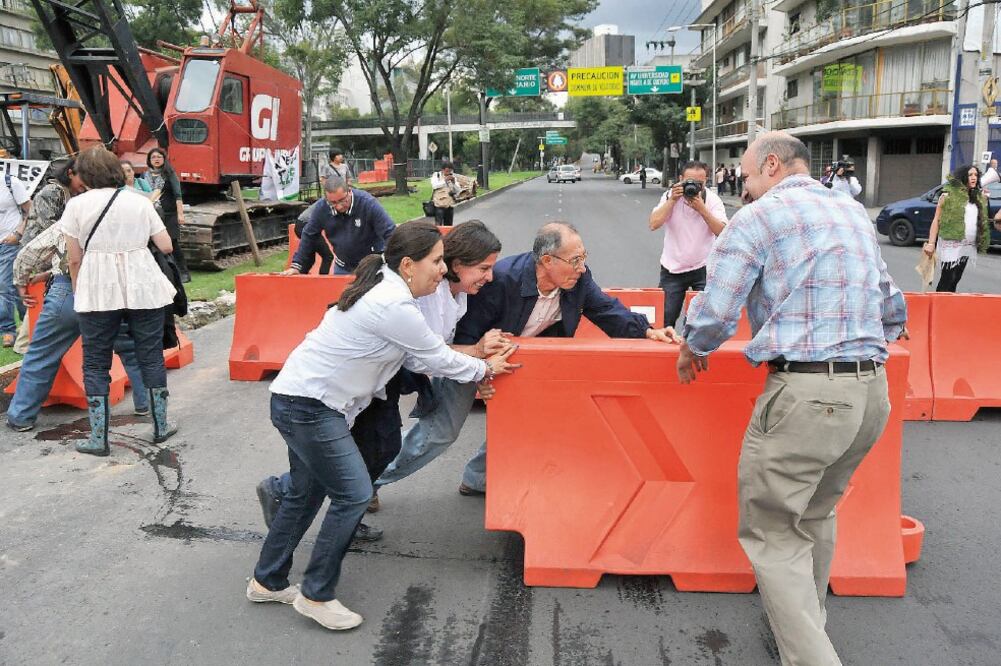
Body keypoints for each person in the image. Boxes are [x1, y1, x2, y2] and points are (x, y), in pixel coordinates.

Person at [677, 132, 907, 666]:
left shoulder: (757, 218)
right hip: (871, 390)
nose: (746, 188)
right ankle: (807, 625)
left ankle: (810, 655)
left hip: (807, 395)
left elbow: (716, 309)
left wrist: (691, 344)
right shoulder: (850, 212)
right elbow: (891, 304)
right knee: (817, 513)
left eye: (749, 176)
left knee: (773, 534)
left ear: (773, 165)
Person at [246, 221, 518, 631]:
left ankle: (267, 582)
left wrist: (476, 363)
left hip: (303, 402)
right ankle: (316, 593)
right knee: (354, 494)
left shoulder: (394, 292)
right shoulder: (395, 304)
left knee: (305, 495)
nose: (443, 270)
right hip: (309, 407)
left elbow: (424, 360)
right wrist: (483, 366)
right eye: (437, 261)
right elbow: (436, 358)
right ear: (409, 265)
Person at [398, 222, 683, 497]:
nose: (581, 267)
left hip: (518, 361)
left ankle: (478, 478)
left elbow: (607, 310)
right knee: (440, 433)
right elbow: (465, 334)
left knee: (521, 421)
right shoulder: (502, 281)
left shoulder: (579, 280)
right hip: (470, 356)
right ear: (547, 260)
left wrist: (648, 331)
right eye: (575, 260)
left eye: (584, 258)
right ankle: (373, 477)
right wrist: (481, 372)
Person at [260, 220, 508, 528]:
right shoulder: (427, 292)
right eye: (484, 268)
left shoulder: (457, 293)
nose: (490, 276)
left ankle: (326, 503)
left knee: (367, 451)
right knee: (365, 451)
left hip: (383, 376)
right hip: (376, 377)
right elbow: (426, 357)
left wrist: (476, 361)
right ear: (458, 263)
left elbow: (434, 350)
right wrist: (479, 361)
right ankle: (312, 501)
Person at [60, 147, 179, 456]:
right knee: (150, 354)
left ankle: (99, 438)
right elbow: (165, 245)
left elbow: (74, 259)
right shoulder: (139, 201)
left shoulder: (76, 206)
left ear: (85, 175)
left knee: (96, 360)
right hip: (143, 283)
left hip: (97, 286)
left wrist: (79, 289)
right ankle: (160, 425)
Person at [6, 212, 152, 431]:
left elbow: (28, 254)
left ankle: (21, 416)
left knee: (41, 355)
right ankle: (146, 404)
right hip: (111, 289)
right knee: (131, 349)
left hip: (67, 291)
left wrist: (20, 280)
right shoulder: (122, 217)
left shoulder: (73, 218)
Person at [648, 160, 728, 328]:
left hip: (704, 267)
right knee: (664, 318)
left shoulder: (711, 200)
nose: (693, 187)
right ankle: (664, 352)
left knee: (698, 322)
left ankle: (690, 351)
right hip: (673, 268)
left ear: (706, 181)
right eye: (688, 182)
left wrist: (702, 210)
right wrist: (672, 201)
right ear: (680, 179)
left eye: (699, 183)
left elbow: (723, 232)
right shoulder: (670, 196)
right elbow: (653, 224)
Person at [281, 175, 395, 276]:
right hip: (343, 266)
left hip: (372, 267)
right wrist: (297, 265)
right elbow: (309, 234)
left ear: (349, 191)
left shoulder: (367, 203)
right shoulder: (322, 208)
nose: (339, 206)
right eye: (333, 203)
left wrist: (394, 262)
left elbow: (390, 233)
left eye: (342, 200)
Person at [923, 164, 992, 293]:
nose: (974, 178)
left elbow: (983, 220)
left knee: (956, 278)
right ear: (962, 177)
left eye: (976, 175)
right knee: (948, 278)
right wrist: (931, 243)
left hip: (968, 245)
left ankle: (948, 306)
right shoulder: (947, 196)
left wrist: (984, 199)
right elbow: (936, 220)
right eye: (970, 175)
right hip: (951, 244)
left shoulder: (976, 197)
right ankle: (940, 305)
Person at [145, 148, 190, 283]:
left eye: (159, 157)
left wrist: (180, 214)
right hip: (153, 214)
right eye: (153, 157)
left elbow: (178, 195)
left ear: (164, 159)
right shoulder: (146, 176)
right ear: (149, 160)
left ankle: (183, 273)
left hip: (169, 214)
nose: (156, 159)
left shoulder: (169, 174)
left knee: (173, 243)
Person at [1, 171, 30, 348]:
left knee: (4, 286)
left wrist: (18, 233)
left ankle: (7, 330)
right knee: (14, 284)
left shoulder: (10, 183)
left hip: (9, 243)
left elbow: (30, 210)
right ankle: (28, 323)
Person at [429, 161, 461, 227]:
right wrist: (445, 180)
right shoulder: (436, 175)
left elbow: (458, 190)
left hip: (449, 205)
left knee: (449, 226)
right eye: (447, 171)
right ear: (442, 170)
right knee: (438, 226)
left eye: (450, 171)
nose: (448, 173)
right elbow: (434, 186)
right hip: (439, 205)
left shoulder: (453, 177)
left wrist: (454, 183)